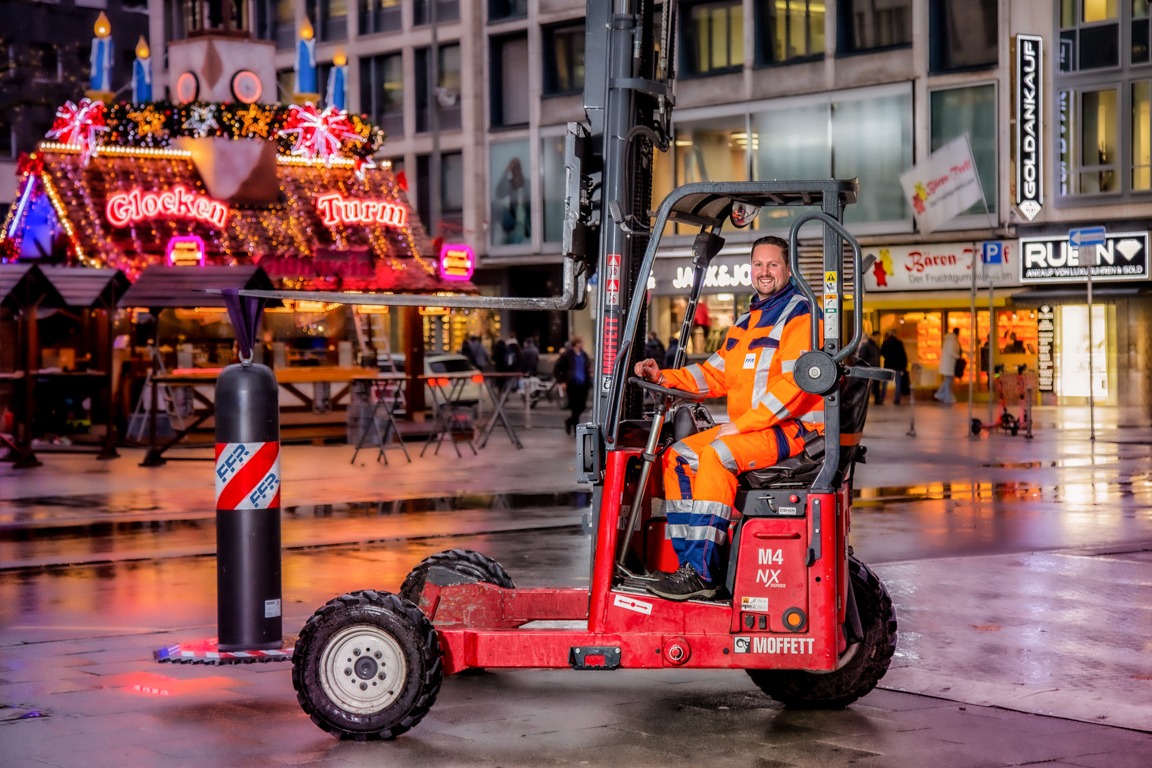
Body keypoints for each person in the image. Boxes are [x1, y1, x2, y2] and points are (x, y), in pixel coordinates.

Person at [633, 235, 824, 600]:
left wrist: (742, 425)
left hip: (793, 429)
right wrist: (663, 377)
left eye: (772, 264)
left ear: (788, 269)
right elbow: (714, 374)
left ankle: (703, 572)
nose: (764, 271)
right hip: (754, 429)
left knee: (716, 455)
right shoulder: (746, 322)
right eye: (758, 264)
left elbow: (796, 384)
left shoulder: (801, 315)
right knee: (676, 458)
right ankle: (690, 566)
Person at [554, 334, 592, 435]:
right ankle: (576, 430)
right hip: (572, 384)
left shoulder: (583, 354)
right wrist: (562, 381)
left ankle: (569, 421)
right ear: (577, 343)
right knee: (575, 407)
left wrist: (589, 380)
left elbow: (587, 367)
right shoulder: (567, 355)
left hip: (583, 384)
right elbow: (557, 368)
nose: (583, 344)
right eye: (581, 342)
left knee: (582, 406)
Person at [880, 330, 908, 405]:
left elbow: (882, 352)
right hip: (897, 365)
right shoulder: (899, 343)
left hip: (888, 365)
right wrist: (904, 365)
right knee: (898, 382)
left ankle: (882, 398)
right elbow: (903, 355)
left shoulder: (886, 342)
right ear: (895, 334)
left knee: (884, 382)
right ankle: (897, 399)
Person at [935, 328, 962, 404]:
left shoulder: (950, 340)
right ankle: (947, 397)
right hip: (949, 363)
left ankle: (940, 395)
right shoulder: (952, 340)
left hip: (948, 363)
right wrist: (958, 356)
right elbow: (952, 351)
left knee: (948, 380)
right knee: (948, 380)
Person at [858, 331, 882, 404]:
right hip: (869, 369)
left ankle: (877, 400)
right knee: (867, 386)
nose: (878, 339)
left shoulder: (876, 347)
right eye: (877, 337)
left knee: (876, 386)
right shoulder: (866, 346)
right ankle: (865, 401)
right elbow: (862, 358)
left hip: (875, 368)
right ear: (873, 336)